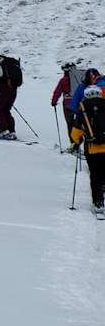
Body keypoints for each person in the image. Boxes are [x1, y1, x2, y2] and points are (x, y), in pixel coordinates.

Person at [70, 84, 105, 216]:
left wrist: (76, 142)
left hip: (92, 148)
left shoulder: (83, 109)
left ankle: (98, 202)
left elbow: (76, 133)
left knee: (95, 174)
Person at [52, 62, 82, 148]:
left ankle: (73, 144)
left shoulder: (63, 80)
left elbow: (57, 91)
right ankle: (80, 142)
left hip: (67, 104)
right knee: (80, 124)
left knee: (70, 124)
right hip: (79, 104)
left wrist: (54, 101)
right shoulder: (79, 79)